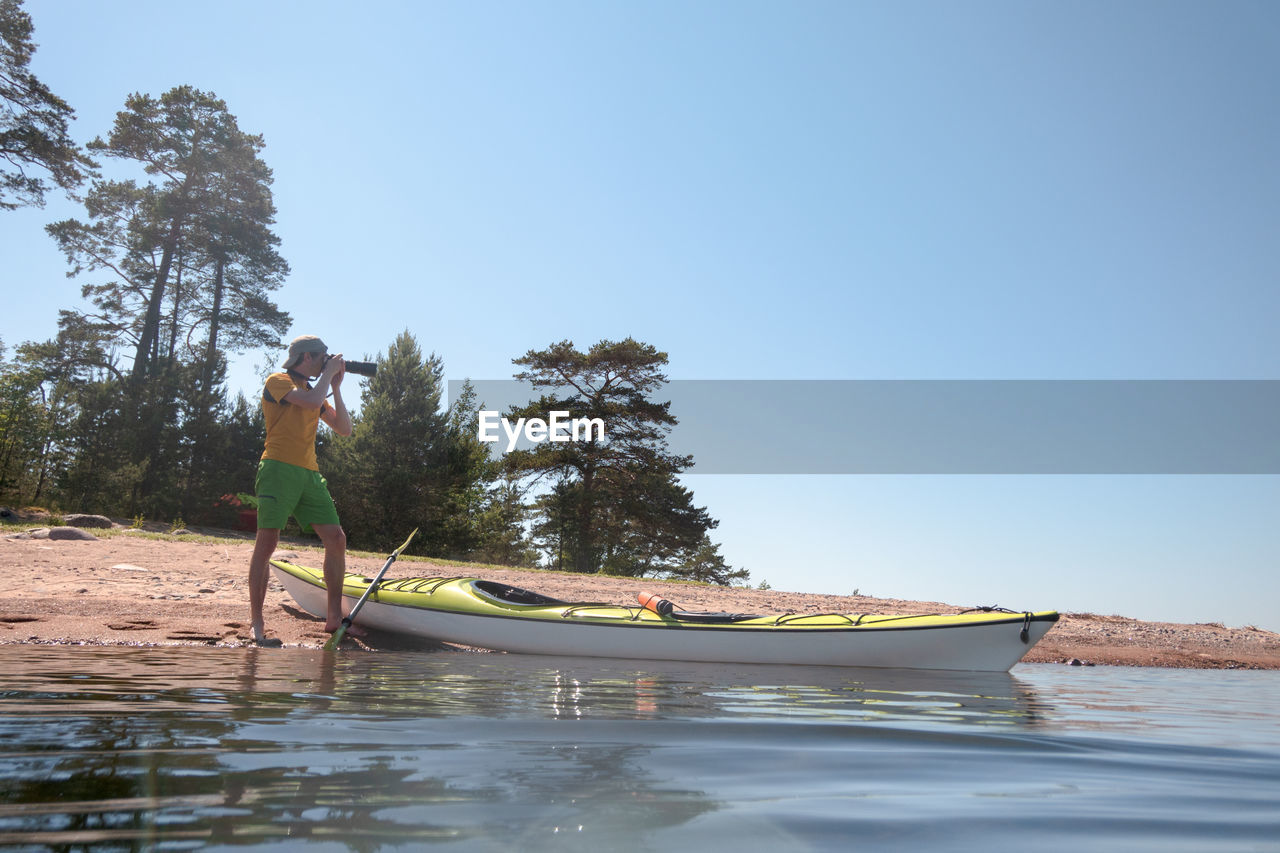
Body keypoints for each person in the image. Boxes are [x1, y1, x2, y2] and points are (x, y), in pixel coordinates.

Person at [247, 334, 353, 646]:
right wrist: (327, 378)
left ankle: (334, 619)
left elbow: (344, 429)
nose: (326, 363)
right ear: (307, 357)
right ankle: (257, 624)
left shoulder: (314, 390)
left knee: (336, 538)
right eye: (323, 358)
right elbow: (306, 402)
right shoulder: (278, 381)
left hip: (309, 473)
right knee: (267, 543)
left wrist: (334, 386)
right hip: (278, 468)